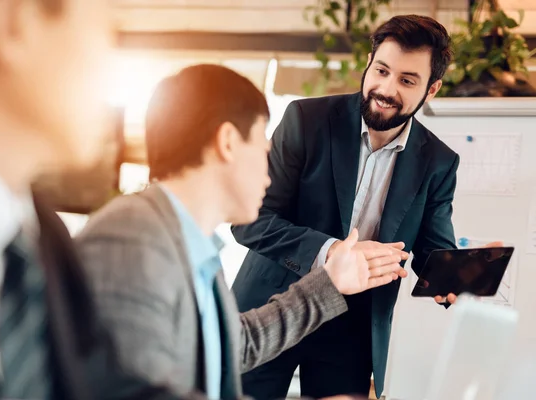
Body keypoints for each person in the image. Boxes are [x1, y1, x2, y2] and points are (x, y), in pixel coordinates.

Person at [75, 64, 406, 400]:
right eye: (264, 151)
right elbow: (134, 391)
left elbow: (236, 345)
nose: (268, 176)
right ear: (228, 142)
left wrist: (331, 283)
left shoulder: (194, 250)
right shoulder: (131, 238)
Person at [0, 1, 215, 399]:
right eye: (110, 34)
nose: (115, 68)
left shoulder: (41, 239)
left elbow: (103, 388)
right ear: (18, 21)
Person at [230, 14, 460, 400]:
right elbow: (250, 221)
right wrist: (331, 252)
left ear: (431, 89)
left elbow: (434, 252)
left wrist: (462, 275)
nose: (386, 88)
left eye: (407, 80)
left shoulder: (438, 161)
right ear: (369, 63)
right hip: (271, 310)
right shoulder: (305, 120)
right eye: (382, 70)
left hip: (351, 330)